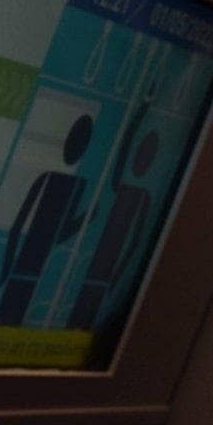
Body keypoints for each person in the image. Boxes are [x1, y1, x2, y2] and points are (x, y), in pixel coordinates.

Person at [0, 113, 94, 325]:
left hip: (40, 267)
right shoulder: (48, 178)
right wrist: (6, 270)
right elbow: (17, 228)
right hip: (26, 264)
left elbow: (55, 233)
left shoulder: (76, 185)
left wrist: (85, 219)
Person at [67, 100, 158, 330]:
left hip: (108, 274)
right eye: (142, 151)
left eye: (147, 153)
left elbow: (136, 242)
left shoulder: (141, 197)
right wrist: (142, 110)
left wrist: (117, 278)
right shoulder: (116, 185)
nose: (142, 158)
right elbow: (125, 142)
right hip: (95, 266)